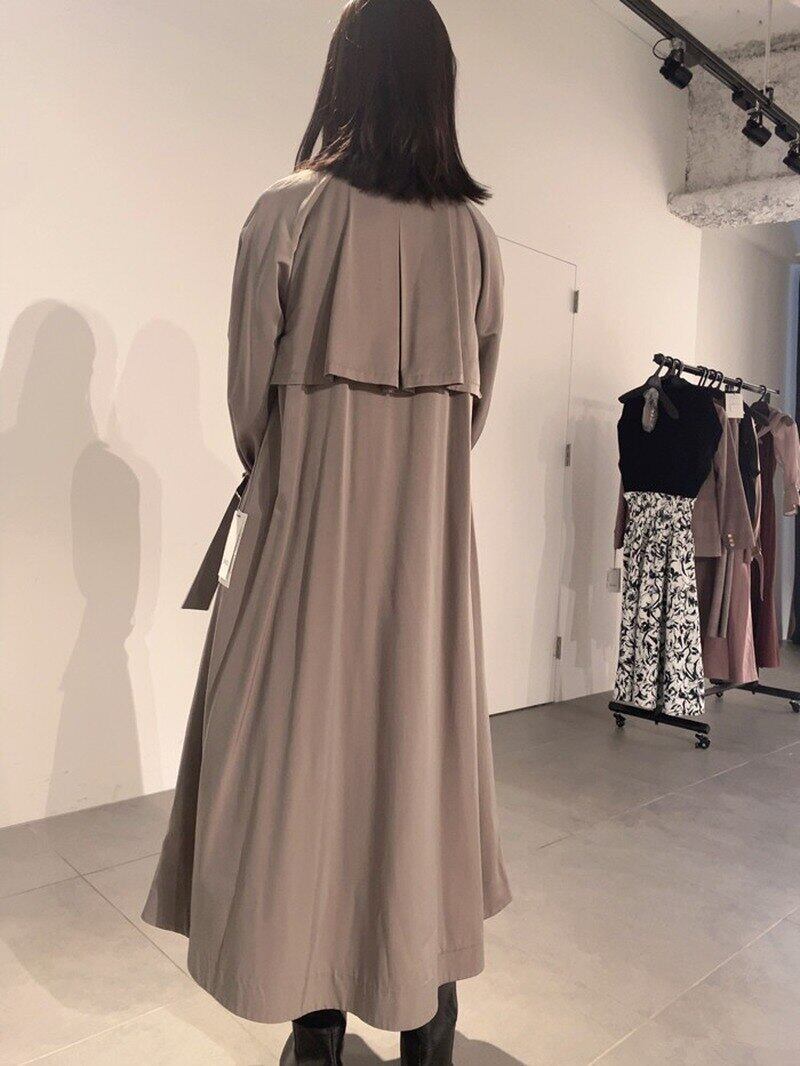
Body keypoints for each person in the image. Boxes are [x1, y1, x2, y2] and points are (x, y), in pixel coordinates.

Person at [141, 1, 511, 1061]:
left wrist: (310, 470)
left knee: (301, 764)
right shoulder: (476, 239)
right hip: (425, 559)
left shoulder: (284, 215)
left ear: (340, 75)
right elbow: (474, 416)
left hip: (303, 541)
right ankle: (429, 1016)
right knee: (414, 759)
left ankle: (315, 1022)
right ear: (439, 87)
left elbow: (247, 407)